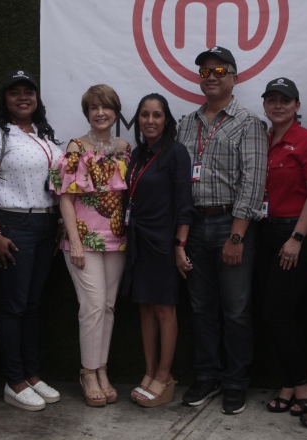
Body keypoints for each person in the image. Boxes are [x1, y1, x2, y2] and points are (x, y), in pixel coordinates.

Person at [176, 46, 268, 415]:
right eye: (205, 71)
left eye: (219, 70)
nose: (211, 76)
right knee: (200, 308)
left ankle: (235, 381)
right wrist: (179, 237)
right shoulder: (186, 123)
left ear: (235, 77)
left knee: (237, 310)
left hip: (232, 224)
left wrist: (236, 235)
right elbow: (180, 182)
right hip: (194, 226)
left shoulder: (249, 123)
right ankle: (208, 375)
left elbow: (254, 183)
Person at [0, 69, 63, 411]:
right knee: (13, 305)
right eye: (15, 92)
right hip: (12, 225)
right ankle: (14, 381)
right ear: (5, 98)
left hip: (44, 226)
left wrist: (55, 222)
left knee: (32, 305)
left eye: (29, 92)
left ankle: (32, 374)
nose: (23, 97)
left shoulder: (43, 135)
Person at [53, 84, 130, 407]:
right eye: (94, 107)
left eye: (106, 107)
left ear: (115, 112)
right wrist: (75, 242)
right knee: (93, 306)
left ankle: (101, 369)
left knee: (108, 307)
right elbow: (66, 199)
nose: (101, 113)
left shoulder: (125, 148)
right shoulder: (76, 147)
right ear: (87, 113)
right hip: (82, 239)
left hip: (116, 239)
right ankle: (87, 372)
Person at [257, 78, 307, 416]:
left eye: (286, 100)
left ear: (298, 106)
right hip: (265, 233)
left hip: (294, 235)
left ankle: (303, 382)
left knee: (278, 314)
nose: (278, 105)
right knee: (279, 314)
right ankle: (289, 380)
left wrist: (297, 239)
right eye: (272, 100)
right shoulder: (262, 139)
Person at [122, 93, 194, 407]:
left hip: (163, 241)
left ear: (167, 121)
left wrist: (179, 245)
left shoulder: (176, 153)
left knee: (165, 308)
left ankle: (165, 375)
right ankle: (149, 370)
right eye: (144, 115)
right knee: (145, 307)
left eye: (157, 115)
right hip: (137, 241)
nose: (150, 121)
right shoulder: (136, 155)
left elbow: (184, 204)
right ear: (137, 120)